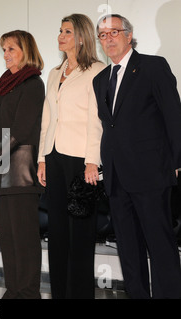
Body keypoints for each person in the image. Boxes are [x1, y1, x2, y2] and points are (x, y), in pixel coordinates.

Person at [93, 14, 181, 299]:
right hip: (117, 178)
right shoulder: (99, 80)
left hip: (152, 173)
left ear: (129, 36)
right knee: (128, 250)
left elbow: (174, 117)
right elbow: (111, 127)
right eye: (102, 35)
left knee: (160, 246)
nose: (108, 39)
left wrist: (177, 162)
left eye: (114, 32)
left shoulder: (153, 67)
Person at [36, 14, 105, 299]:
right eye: (60, 31)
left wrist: (93, 160)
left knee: (81, 233)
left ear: (81, 37)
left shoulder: (97, 70)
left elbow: (97, 119)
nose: (60, 36)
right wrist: (41, 157)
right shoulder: (54, 72)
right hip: (53, 156)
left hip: (80, 159)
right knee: (58, 232)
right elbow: (46, 119)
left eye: (67, 31)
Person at [0, 30, 45, 299]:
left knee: (25, 239)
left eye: (11, 49)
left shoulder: (32, 83)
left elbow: (21, 129)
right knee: (8, 239)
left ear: (26, 51)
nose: (5, 54)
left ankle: (28, 293)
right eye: (3, 49)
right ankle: (14, 290)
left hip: (21, 171)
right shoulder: (5, 84)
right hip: (2, 172)